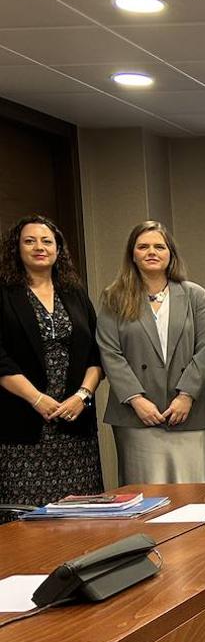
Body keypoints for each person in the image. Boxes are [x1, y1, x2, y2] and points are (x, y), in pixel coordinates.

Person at [98, 221, 205, 485]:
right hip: (136, 416)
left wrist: (186, 396)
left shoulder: (196, 296)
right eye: (143, 246)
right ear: (132, 254)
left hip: (189, 413)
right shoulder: (114, 297)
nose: (152, 252)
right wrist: (137, 400)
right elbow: (109, 351)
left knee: (193, 495)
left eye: (159, 246)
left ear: (170, 254)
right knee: (147, 498)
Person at [0, 215, 103, 505]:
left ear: (58, 249)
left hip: (74, 422)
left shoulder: (74, 293)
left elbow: (96, 353)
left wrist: (82, 396)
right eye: (29, 241)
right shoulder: (5, 294)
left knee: (81, 514)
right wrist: (36, 399)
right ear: (16, 249)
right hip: (23, 425)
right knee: (27, 519)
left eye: (47, 241)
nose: (39, 247)